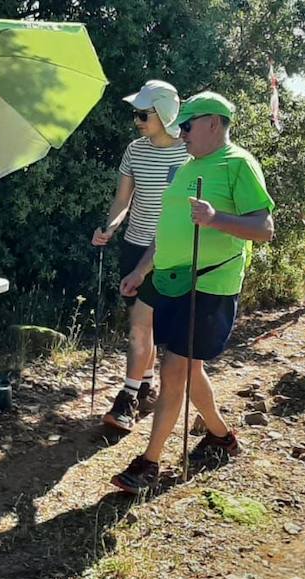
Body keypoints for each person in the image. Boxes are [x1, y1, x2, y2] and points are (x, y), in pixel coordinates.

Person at [111, 92, 276, 493]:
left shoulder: (238, 163)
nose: (180, 132)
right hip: (172, 280)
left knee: (173, 368)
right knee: (189, 368)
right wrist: (140, 269)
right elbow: (167, 230)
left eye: (187, 125)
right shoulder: (188, 166)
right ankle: (221, 437)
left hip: (210, 283)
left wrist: (216, 218)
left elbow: (264, 228)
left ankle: (148, 464)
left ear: (214, 123)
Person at [90, 80, 191, 433]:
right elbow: (123, 200)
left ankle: (127, 398)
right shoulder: (134, 150)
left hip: (170, 251)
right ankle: (144, 388)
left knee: (141, 325)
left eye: (143, 114)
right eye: (136, 113)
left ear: (164, 114)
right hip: (134, 245)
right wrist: (110, 226)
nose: (136, 120)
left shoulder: (188, 154)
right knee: (138, 322)